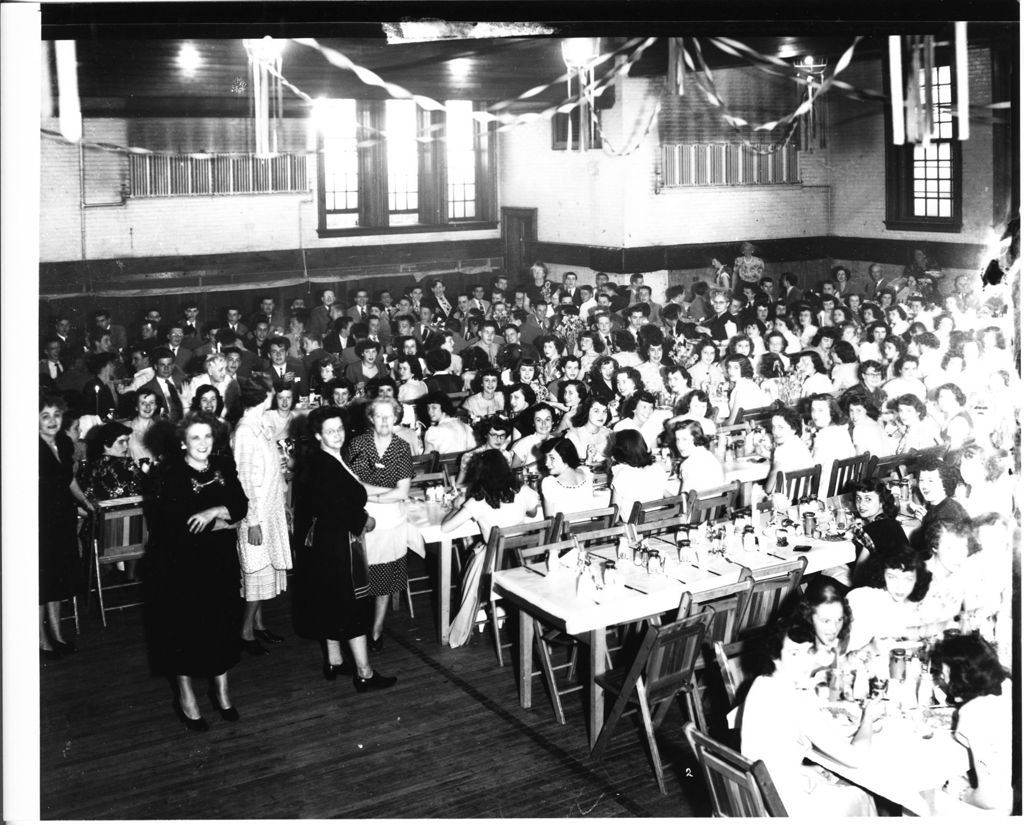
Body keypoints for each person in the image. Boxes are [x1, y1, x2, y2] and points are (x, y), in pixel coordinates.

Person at [146, 412, 248, 731]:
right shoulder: (171, 473)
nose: (203, 443)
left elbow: (241, 506)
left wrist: (215, 511)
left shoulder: (223, 465)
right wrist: (223, 520)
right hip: (181, 565)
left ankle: (221, 691)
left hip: (220, 561)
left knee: (222, 624)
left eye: (207, 436)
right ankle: (187, 698)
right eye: (195, 437)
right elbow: (175, 526)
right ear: (182, 442)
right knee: (185, 631)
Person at [291, 407, 396, 691]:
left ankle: (335, 660)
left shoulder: (322, 459)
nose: (337, 435)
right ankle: (364, 673)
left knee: (331, 603)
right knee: (352, 606)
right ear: (317, 435)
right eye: (330, 431)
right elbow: (340, 506)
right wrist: (366, 520)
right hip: (338, 547)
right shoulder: (324, 465)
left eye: (339, 429)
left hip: (323, 547)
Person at [740, 617, 880, 817]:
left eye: (809, 651)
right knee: (861, 795)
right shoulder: (798, 701)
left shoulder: (760, 684)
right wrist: (868, 717)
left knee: (837, 783)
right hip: (783, 809)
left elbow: (765, 751)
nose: (804, 661)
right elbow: (855, 759)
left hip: (757, 798)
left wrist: (802, 769)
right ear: (775, 656)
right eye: (794, 653)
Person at [442, 449, 541, 647]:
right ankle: (500, 607)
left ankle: (484, 606)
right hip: (521, 560)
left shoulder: (477, 501)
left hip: (492, 564)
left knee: (471, 556)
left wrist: (456, 506)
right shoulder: (522, 490)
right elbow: (533, 511)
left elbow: (446, 528)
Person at [344, 397, 416, 652]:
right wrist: (380, 493)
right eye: (379, 416)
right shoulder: (357, 444)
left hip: (392, 522)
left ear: (396, 418)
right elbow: (351, 484)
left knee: (385, 580)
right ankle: (357, 629)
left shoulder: (401, 447)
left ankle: (376, 630)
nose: (384, 421)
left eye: (389, 416)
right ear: (371, 418)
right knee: (359, 578)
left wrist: (369, 494)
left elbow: (403, 492)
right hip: (362, 520)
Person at [232, 378, 292, 655]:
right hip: (255, 515)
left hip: (270, 509)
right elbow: (244, 479)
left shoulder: (261, 425)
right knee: (256, 573)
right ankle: (244, 633)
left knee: (265, 571)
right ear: (264, 396)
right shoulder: (245, 430)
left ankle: (258, 624)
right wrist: (252, 520)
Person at [929, 633, 1012, 813]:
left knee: (923, 794)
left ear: (961, 677)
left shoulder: (975, 714)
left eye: (945, 675)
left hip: (1006, 810)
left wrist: (962, 792)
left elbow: (993, 799)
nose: (943, 680)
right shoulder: (1008, 685)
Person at [39, 394, 94, 659]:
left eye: (56, 415)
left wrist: (85, 501)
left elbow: (68, 478)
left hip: (62, 519)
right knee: (41, 582)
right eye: (45, 416)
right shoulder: (29, 446)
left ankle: (57, 636)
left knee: (58, 580)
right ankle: (41, 641)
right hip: (39, 522)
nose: (52, 421)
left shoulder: (62, 441)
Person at [845, 546, 932, 650]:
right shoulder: (861, 599)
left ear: (917, 579)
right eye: (892, 577)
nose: (900, 586)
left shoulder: (913, 606)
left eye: (908, 579)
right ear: (882, 574)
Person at [606, 430, 674, 523]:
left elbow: (615, 516)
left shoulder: (622, 474)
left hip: (633, 530)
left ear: (619, 450)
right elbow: (667, 495)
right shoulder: (658, 468)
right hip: (656, 525)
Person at [807, 393, 856, 499]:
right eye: (813, 410)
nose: (815, 415)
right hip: (845, 489)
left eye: (820, 410)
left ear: (832, 412)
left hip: (824, 492)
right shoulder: (842, 430)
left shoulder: (824, 436)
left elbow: (810, 468)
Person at [538, 437, 596, 518]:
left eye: (552, 458)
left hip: (563, 530)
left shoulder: (549, 483)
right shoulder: (587, 473)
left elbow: (549, 522)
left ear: (565, 456)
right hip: (589, 529)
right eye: (546, 458)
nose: (546, 463)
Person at [764, 406, 814, 498]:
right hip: (803, 499)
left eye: (780, 427)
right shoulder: (802, 446)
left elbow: (769, 488)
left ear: (793, 429)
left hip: (782, 502)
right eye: (773, 427)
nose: (775, 432)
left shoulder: (781, 451)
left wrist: (763, 491)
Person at [671, 418, 725, 496]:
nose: (680, 445)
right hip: (711, 506)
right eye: (677, 439)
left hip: (695, 506)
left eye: (684, 439)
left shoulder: (687, 465)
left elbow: (684, 502)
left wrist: (663, 491)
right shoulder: (711, 457)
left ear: (696, 438)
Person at [566, 396, 612, 468]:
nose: (601, 415)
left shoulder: (610, 435)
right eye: (596, 411)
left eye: (604, 411)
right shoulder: (573, 435)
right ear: (587, 411)